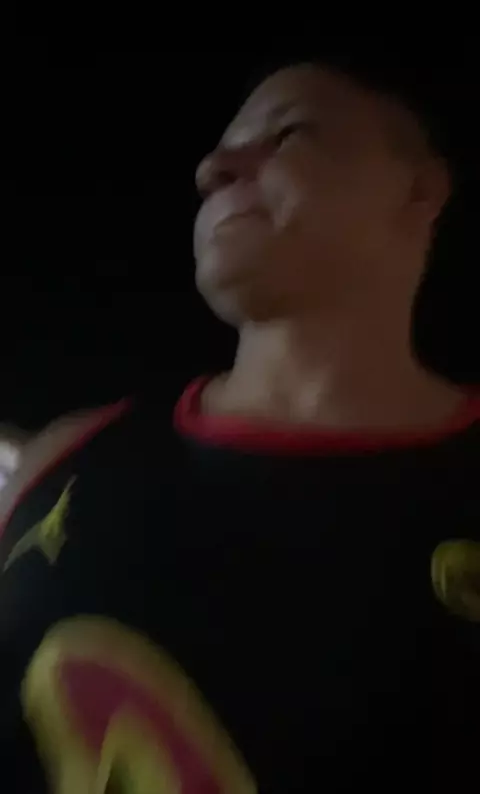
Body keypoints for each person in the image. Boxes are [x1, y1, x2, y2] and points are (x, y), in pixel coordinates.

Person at [0, 56, 478, 793]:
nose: (212, 169)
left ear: (420, 191)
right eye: (222, 149)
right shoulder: (65, 457)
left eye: (289, 134)